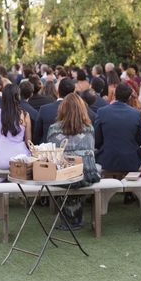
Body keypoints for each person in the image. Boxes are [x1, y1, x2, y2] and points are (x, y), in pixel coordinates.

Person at [47, 93, 101, 229]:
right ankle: (74, 218)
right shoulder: (89, 128)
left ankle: (70, 220)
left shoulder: (53, 129)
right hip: (87, 175)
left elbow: (52, 156)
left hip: (62, 176)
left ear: (62, 109)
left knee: (62, 170)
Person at [95, 83, 141, 175]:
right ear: (130, 97)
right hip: (130, 159)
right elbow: (140, 140)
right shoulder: (136, 114)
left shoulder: (102, 111)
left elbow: (97, 140)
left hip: (107, 158)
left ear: (114, 95)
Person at [34, 78, 96, 144]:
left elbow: (37, 137)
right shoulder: (83, 111)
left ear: (57, 90)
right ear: (73, 92)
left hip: (51, 150)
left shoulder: (45, 110)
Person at [0, 84, 32, 170]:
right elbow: (28, 141)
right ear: (18, 97)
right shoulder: (25, 115)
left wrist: (2, 147)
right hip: (20, 159)